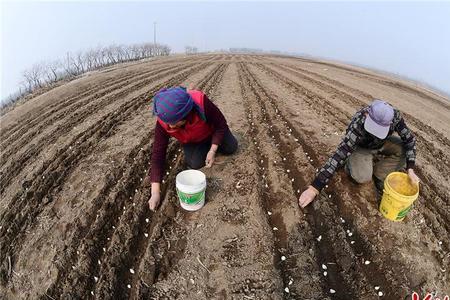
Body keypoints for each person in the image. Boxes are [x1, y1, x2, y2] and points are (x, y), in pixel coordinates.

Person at [298, 99, 420, 208]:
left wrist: (410, 168)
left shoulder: (395, 117)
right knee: (362, 177)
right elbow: (340, 154)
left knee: (404, 150)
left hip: (382, 143)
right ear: (367, 114)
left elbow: (409, 140)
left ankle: (380, 173)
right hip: (362, 148)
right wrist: (315, 188)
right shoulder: (357, 125)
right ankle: (350, 162)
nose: (375, 132)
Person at [146, 86, 238, 211]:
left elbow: (221, 124)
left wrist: (213, 150)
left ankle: (214, 143)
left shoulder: (202, 103)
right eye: (168, 122)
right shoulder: (164, 118)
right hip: (194, 140)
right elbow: (158, 153)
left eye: (174, 122)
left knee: (231, 147)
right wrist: (155, 192)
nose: (170, 126)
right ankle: (206, 145)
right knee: (195, 163)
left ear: (186, 114)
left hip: (212, 130)